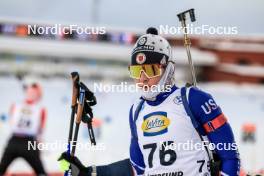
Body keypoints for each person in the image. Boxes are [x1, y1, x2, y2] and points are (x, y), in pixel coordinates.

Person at [58, 27, 240, 176]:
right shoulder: (137, 110)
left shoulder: (193, 99)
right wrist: (91, 173)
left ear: (166, 69)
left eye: (150, 70)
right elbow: (138, 168)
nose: (143, 79)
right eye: (137, 72)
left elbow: (230, 155)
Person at [0, 82, 47, 176]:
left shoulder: (41, 109)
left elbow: (41, 129)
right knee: (2, 168)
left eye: (35, 92)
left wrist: (40, 144)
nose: (31, 94)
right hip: (14, 139)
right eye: (30, 91)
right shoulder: (15, 105)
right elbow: (8, 121)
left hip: (29, 141)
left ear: (38, 95)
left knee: (41, 171)